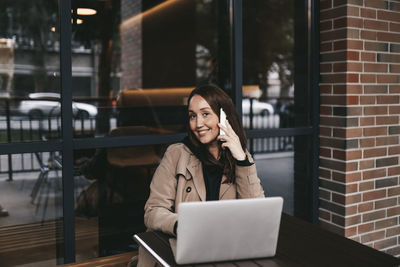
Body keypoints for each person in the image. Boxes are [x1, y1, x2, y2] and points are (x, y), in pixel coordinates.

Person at [136, 84, 264, 267]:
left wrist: (242, 160)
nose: (198, 124)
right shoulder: (177, 154)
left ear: (224, 117)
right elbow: (152, 211)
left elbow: (256, 213)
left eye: (205, 114)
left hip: (222, 251)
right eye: (192, 116)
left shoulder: (240, 158)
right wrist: (182, 225)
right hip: (177, 252)